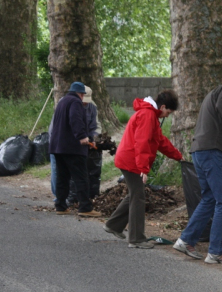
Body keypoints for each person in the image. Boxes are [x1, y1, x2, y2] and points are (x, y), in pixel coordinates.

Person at [173, 67, 222, 263]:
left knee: (209, 199)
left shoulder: (215, 93)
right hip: (211, 153)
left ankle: (186, 240)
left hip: (201, 151)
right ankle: (216, 251)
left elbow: (220, 127)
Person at [103, 90, 183, 249]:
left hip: (130, 159)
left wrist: (178, 156)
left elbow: (160, 141)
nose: (167, 115)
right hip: (131, 161)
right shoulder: (147, 115)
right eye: (168, 112)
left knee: (135, 194)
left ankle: (113, 225)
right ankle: (136, 238)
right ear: (163, 106)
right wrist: (143, 169)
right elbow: (142, 143)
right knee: (138, 197)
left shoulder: (151, 115)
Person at [49, 82, 101, 217]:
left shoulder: (62, 101)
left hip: (58, 147)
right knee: (81, 177)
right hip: (72, 147)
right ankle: (85, 207)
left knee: (62, 177)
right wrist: (82, 137)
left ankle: (60, 205)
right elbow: (75, 119)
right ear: (81, 94)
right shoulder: (76, 102)